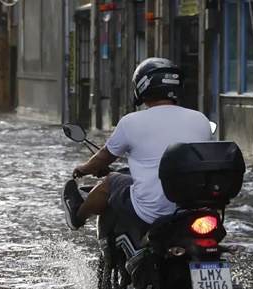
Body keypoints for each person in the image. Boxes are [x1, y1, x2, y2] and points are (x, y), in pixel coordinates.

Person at [62, 57, 213, 231]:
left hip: (150, 212)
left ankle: (77, 217)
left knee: (111, 181)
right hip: (192, 208)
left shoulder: (131, 122)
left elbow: (104, 157)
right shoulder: (200, 119)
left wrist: (83, 169)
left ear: (142, 87)